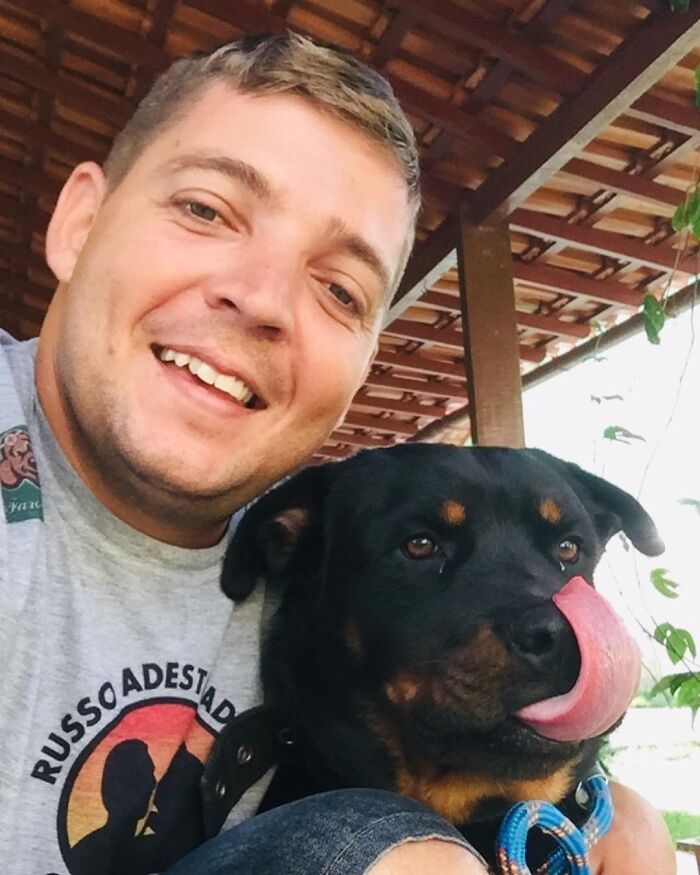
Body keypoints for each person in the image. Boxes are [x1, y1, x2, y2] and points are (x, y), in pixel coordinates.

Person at [0, 32, 675, 875]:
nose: (262, 299)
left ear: (364, 358)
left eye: (339, 288)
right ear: (79, 222)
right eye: (207, 210)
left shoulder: (317, 534)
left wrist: (607, 810)